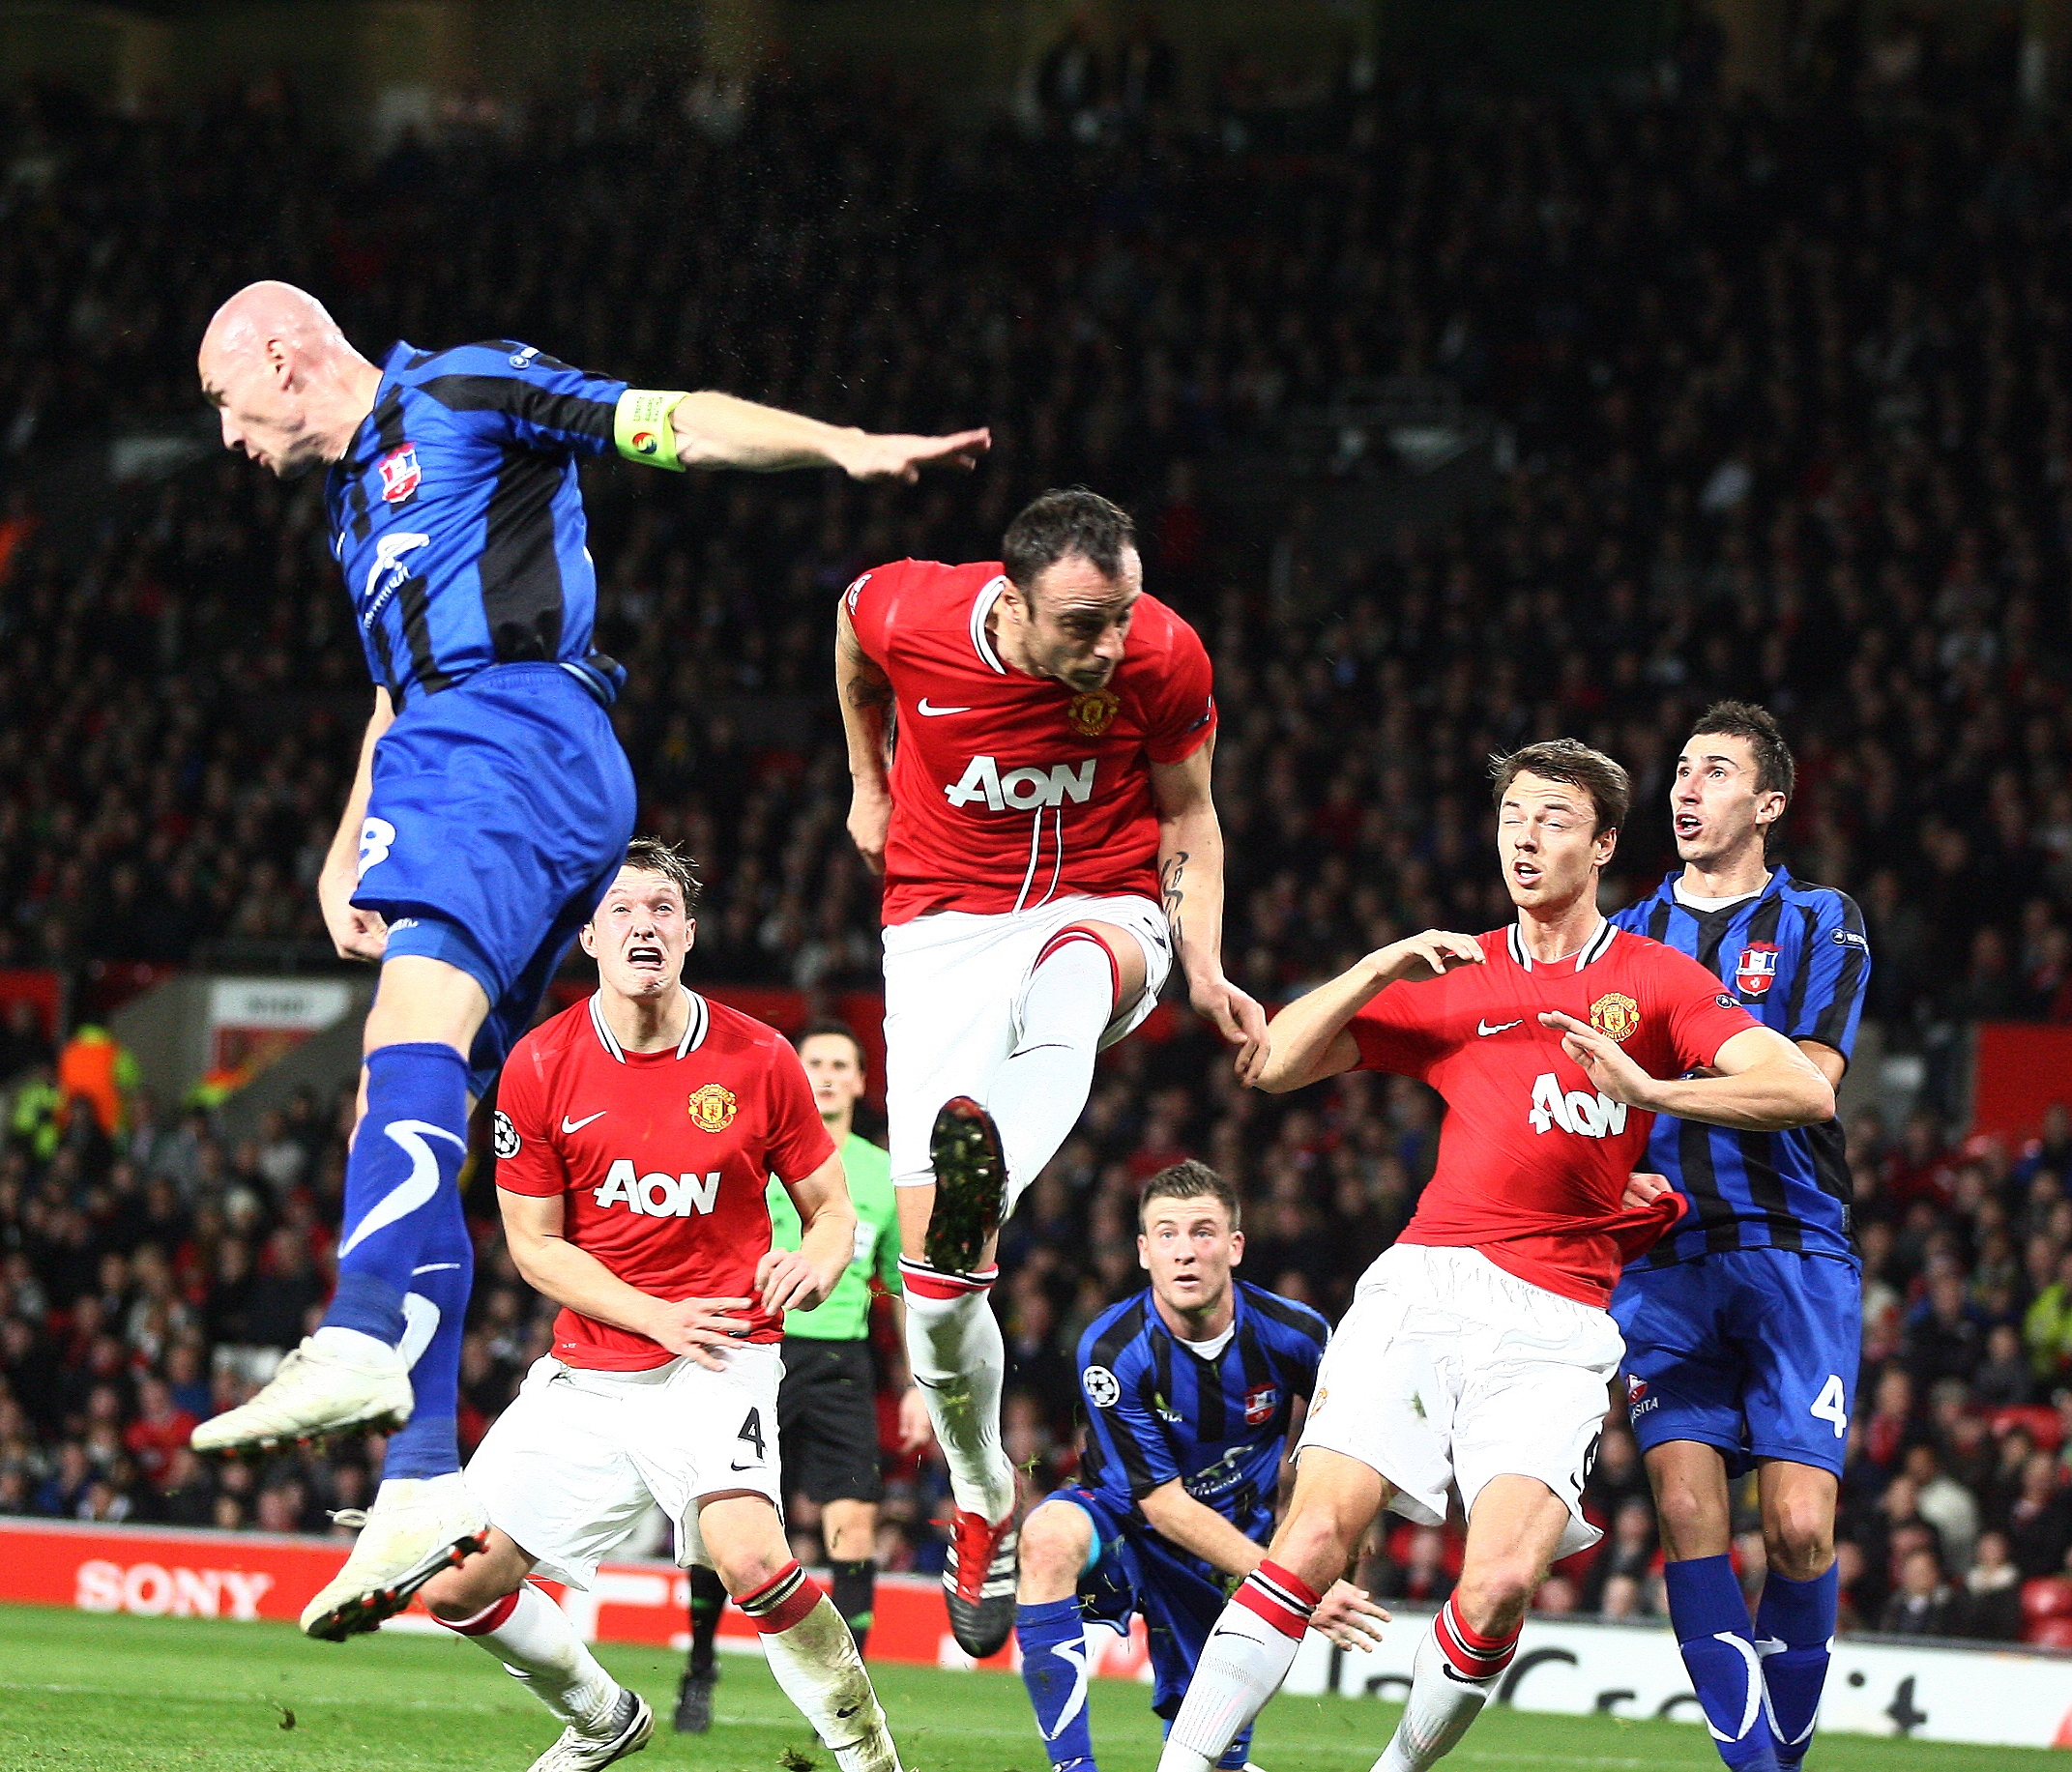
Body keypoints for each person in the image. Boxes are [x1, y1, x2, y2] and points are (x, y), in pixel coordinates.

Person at [188, 279, 987, 1639]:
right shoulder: (348, 509)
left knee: (405, 1039)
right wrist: (343, 849)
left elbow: (656, 420)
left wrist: (838, 446)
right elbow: (393, 693)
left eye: (220, 401)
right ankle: (415, 1478)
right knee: (440, 1097)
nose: (225, 438)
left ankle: (362, 1322)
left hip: (514, 733)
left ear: (278, 350)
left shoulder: (457, 390)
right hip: (463, 753)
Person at [1154, 739, 1834, 1772]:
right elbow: (1272, 1065)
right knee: (1309, 1541)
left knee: (1501, 1582)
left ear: (1604, 843)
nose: (1525, 836)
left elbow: (1800, 1088)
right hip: (1424, 1285)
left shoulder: (1655, 980)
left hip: (1558, 1320)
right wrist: (1379, 965)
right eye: (1513, 815)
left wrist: (1650, 1094)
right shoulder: (1453, 974)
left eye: (1554, 818)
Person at [837, 487, 1263, 1655]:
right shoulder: (914, 608)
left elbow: (1191, 813)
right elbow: (849, 627)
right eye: (1082, 623)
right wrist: (870, 780)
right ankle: (981, 1499)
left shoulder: (1163, 653)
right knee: (933, 1303)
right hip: (938, 932)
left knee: (1078, 972)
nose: (1111, 646)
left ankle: (996, 1169)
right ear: (1009, 598)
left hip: (1103, 903)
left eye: (1121, 614)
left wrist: (1206, 963)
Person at [418, 840, 903, 1772]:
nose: (644, 924)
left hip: (720, 1351)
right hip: (595, 1364)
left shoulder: (759, 1059)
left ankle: (869, 1757)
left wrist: (815, 1258)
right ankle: (601, 1715)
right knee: (457, 1583)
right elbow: (536, 1246)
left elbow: (833, 1210)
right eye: (623, 909)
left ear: (686, 934)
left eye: (662, 910)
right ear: (590, 936)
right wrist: (650, 1313)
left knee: (750, 1554)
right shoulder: (539, 1064)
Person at [1608, 702, 1868, 1772]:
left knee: (1802, 1528)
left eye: (1713, 771)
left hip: (1792, 1251)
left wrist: (1654, 1087)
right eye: (1678, 769)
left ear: (1766, 803)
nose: (1685, 787)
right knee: (1683, 1509)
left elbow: (1808, 1086)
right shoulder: (1621, 938)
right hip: (1661, 1264)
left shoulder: (1818, 919)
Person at [1017, 1159, 1384, 1772]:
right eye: (1167, 1234)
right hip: (1125, 1528)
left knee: (1209, 1764)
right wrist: (1292, 1589)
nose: (1185, 1252)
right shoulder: (1110, 1350)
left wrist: (1345, 1535)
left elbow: (1353, 1444)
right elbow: (1160, 1503)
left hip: (1227, 1555)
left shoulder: (1297, 1336)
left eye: (1203, 1232)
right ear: (1143, 1252)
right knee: (1049, 1537)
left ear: (1235, 1246)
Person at [675, 1022, 932, 1732]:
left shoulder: (881, 1174)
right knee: (722, 1525)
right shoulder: (753, 1148)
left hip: (839, 1363)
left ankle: (853, 1700)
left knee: (854, 1526)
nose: (822, 1073)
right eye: (811, 1061)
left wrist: (914, 1383)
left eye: (837, 1064)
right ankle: (699, 1664)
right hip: (746, 1346)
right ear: (794, 1071)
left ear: (858, 1081)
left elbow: (896, 1289)